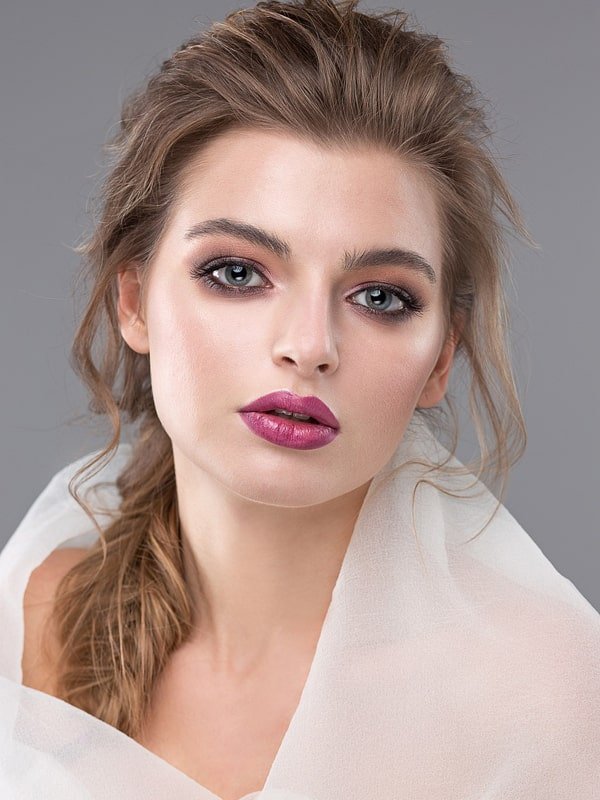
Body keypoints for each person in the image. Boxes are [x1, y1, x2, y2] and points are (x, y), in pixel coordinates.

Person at [1, 0, 599, 798]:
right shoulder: (32, 624)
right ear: (135, 303)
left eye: (381, 296)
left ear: (440, 360)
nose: (310, 345)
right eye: (238, 272)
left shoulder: (538, 694)